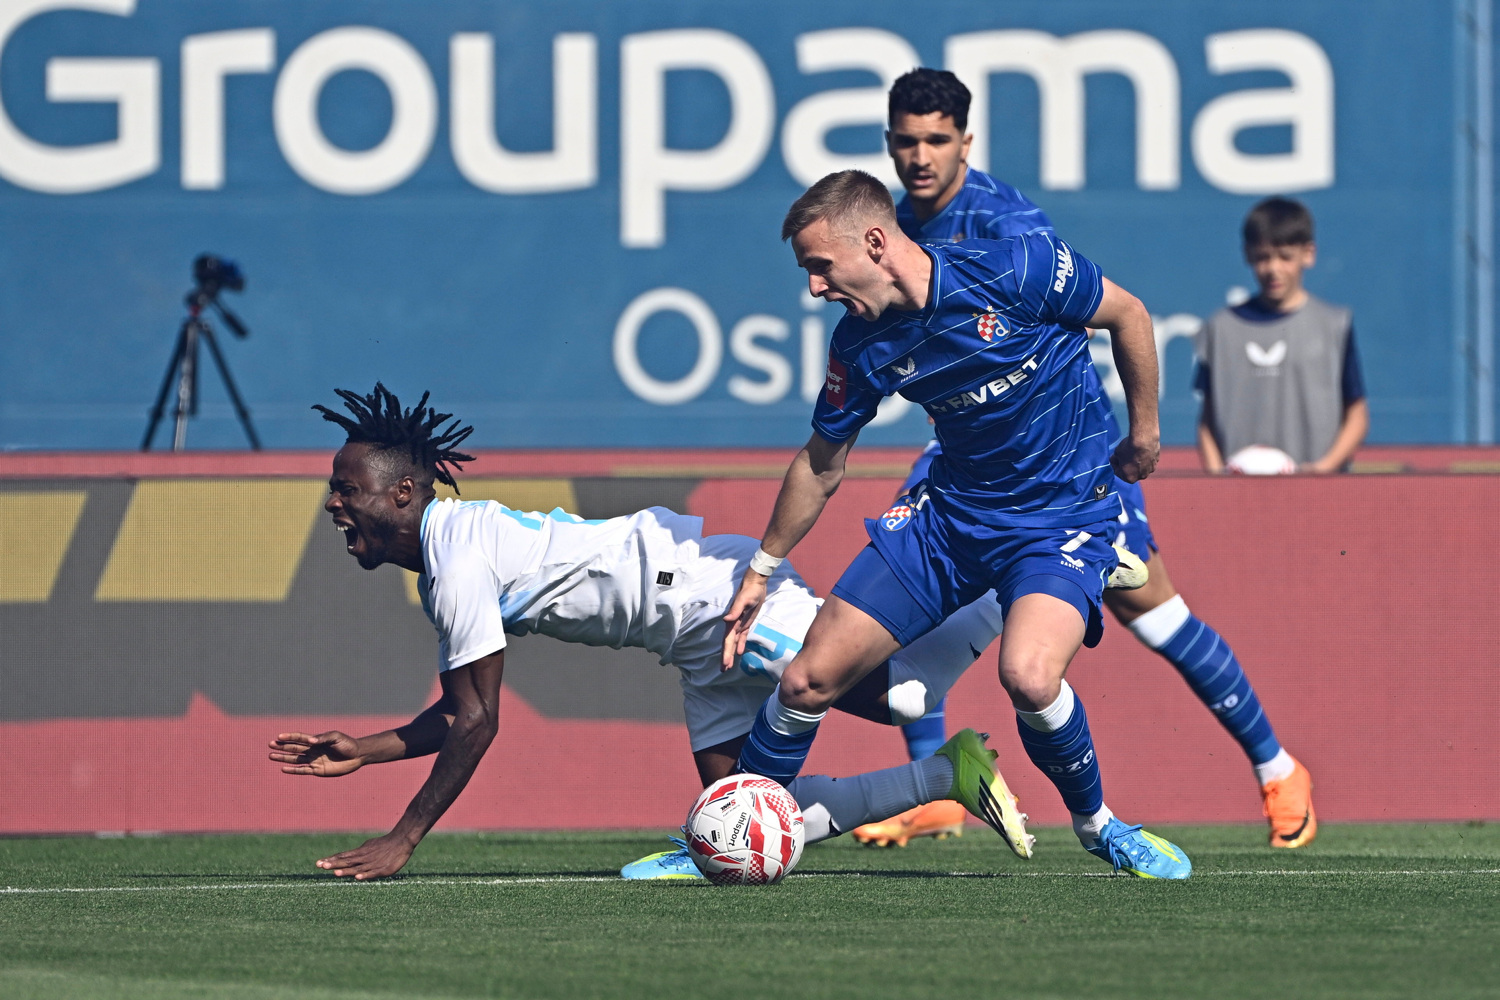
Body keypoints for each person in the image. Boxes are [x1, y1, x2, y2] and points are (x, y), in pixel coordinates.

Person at [267, 383, 1032, 882]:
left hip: (708, 593)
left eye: (346, 488)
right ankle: (944, 778)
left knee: (901, 698)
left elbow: (478, 723)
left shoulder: (457, 554)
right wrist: (364, 751)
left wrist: (403, 839)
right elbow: (459, 709)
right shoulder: (447, 561)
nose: (333, 503)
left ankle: (1032, 569)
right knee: (751, 815)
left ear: (403, 492)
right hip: (685, 639)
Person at [861, 69, 1317, 851]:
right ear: (890, 144)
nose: (921, 156)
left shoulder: (1008, 224)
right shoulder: (899, 229)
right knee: (908, 584)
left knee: (1160, 617)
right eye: (907, 141)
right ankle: (935, 788)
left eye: (937, 140)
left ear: (966, 143)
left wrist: (1112, 450)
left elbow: (1085, 320)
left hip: (1065, 458)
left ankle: (1279, 771)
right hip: (975, 455)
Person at [721, 169, 1194, 878]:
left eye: (820, 267)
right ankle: (722, 835)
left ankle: (1099, 826)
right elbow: (822, 464)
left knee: (1030, 679)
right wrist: (760, 569)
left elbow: (1129, 314)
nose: (814, 288)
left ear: (875, 243)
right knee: (804, 682)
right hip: (950, 520)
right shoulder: (859, 344)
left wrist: (1146, 433)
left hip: (1057, 517)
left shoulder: (1018, 265)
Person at [1197, 197, 1368, 475]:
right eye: (1264, 257)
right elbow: (1207, 419)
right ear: (1248, 254)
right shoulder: (1221, 328)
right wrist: (1217, 478)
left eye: (1285, 257)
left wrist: (1323, 468)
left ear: (1308, 254)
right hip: (1238, 491)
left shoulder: (1334, 324)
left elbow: (1357, 416)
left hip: (1318, 490)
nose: (1273, 268)